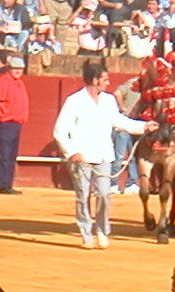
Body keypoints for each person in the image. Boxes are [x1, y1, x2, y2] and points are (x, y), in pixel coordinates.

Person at [51, 60, 157, 249]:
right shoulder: (74, 101)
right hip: (81, 157)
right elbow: (59, 131)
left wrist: (144, 126)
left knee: (104, 195)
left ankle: (101, 231)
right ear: (95, 80)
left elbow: (120, 121)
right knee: (83, 195)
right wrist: (72, 152)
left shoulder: (108, 100)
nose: (108, 83)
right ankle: (86, 234)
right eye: (105, 79)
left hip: (103, 155)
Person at [0, 52, 28, 194]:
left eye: (20, 69)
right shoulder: (3, 82)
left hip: (16, 122)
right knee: (5, 154)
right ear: (9, 68)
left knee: (11, 155)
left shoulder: (19, 83)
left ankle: (7, 184)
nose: (18, 71)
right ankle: (4, 185)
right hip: (5, 122)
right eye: (15, 68)